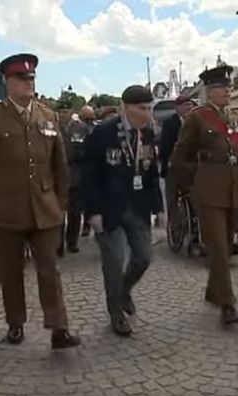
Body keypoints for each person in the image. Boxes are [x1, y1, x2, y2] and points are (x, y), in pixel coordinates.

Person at [0, 53, 80, 349]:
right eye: (22, 78)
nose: (29, 83)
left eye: (31, 78)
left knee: (49, 269)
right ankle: (15, 323)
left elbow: (60, 164)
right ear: (7, 81)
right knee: (11, 271)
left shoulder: (47, 115)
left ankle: (59, 328)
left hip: (44, 207)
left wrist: (62, 201)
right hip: (6, 207)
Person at [170, 65, 238, 324]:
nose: (228, 91)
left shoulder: (236, 117)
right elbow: (179, 157)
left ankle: (213, 292)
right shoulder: (198, 118)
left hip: (233, 188)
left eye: (229, 87)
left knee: (225, 246)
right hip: (208, 189)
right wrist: (190, 184)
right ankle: (228, 304)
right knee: (217, 247)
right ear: (210, 91)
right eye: (222, 88)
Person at [84, 85, 164, 336]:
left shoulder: (148, 134)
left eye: (149, 108)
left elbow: (151, 174)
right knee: (114, 262)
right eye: (142, 109)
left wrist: (159, 208)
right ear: (125, 108)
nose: (147, 114)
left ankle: (124, 290)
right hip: (108, 209)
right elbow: (90, 176)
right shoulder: (103, 134)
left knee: (143, 257)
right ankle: (116, 313)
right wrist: (93, 212)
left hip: (138, 207)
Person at [61, 105, 96, 254]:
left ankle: (71, 242)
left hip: (76, 174)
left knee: (74, 212)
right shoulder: (55, 128)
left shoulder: (82, 129)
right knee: (59, 212)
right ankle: (58, 244)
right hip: (58, 175)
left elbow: (88, 151)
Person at [159, 95, 196, 215]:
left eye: (191, 105)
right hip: (173, 165)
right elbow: (165, 145)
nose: (189, 108)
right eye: (186, 105)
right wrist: (167, 163)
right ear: (177, 108)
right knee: (172, 197)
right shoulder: (170, 123)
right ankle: (174, 226)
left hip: (192, 166)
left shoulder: (197, 121)